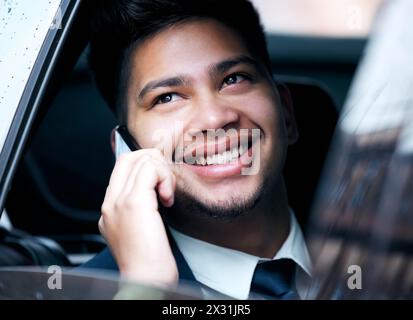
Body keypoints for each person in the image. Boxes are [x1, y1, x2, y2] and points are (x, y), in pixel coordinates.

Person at [82, 0, 312, 299]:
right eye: (167, 98)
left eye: (233, 79)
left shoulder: (378, 250)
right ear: (125, 152)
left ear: (286, 113)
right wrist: (146, 288)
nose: (214, 119)